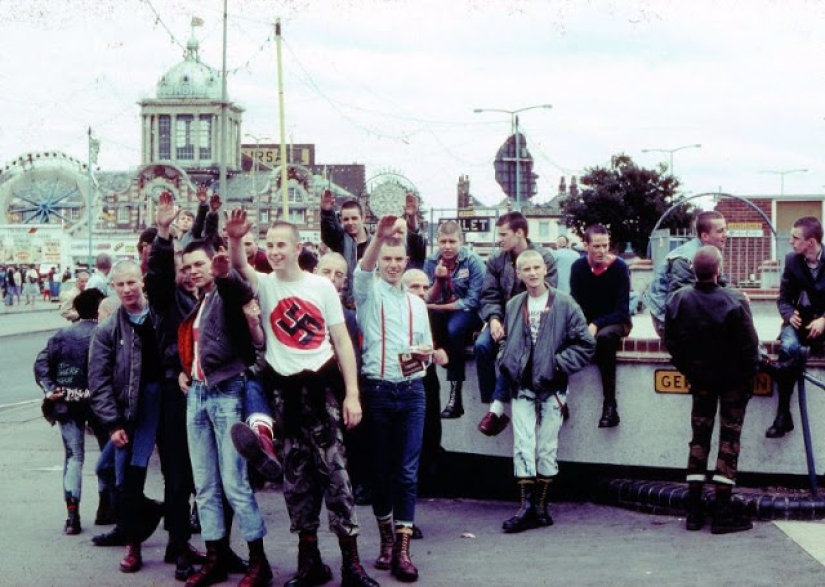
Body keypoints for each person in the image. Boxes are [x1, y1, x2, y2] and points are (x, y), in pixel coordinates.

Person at [226, 210, 378, 587]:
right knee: (296, 480)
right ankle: (309, 562)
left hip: (323, 388)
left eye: (282, 245)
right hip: (285, 393)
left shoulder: (320, 287)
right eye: (270, 245)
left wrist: (353, 394)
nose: (275, 252)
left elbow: (342, 341)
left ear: (298, 248)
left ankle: (351, 565)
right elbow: (238, 265)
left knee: (337, 475)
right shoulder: (263, 284)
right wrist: (234, 237)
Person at [176, 238, 272, 587]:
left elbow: (240, 291)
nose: (192, 272)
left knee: (235, 484)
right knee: (204, 486)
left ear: (213, 263)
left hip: (226, 392)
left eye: (198, 264)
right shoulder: (198, 301)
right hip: (198, 396)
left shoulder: (225, 294)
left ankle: (259, 563)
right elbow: (197, 347)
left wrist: (225, 272)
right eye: (187, 267)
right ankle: (216, 556)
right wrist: (184, 370)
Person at [354, 215, 434, 583]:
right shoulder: (369, 290)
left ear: (407, 262)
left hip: (412, 390)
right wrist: (379, 238)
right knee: (380, 473)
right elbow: (362, 268)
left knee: (407, 472)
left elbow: (427, 347)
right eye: (387, 259)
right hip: (378, 389)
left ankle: (402, 549)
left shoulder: (416, 302)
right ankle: (386, 538)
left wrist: (424, 353)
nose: (392, 265)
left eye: (398, 259)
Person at [497, 249, 595, 533]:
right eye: (526, 268)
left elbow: (585, 344)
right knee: (523, 444)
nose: (532, 273)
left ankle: (541, 507)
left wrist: (558, 364)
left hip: (552, 387)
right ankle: (526, 507)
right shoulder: (514, 304)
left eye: (537, 267)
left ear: (545, 269)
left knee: (547, 446)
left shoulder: (565, 304)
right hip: (522, 386)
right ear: (518, 273)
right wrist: (506, 359)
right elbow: (504, 339)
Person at [665, 246, 758, 534]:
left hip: (701, 381)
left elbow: (672, 344)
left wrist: (690, 372)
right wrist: (746, 379)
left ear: (694, 269)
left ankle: (693, 510)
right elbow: (749, 348)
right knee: (729, 442)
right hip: (732, 382)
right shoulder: (735, 299)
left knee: (699, 440)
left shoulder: (678, 300)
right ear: (719, 269)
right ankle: (722, 511)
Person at [89, 261, 165, 574]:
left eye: (131, 282)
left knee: (178, 476)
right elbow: (99, 381)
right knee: (126, 478)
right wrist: (113, 424)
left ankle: (179, 542)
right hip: (130, 413)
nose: (126, 290)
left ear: (142, 282)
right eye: (119, 285)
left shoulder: (162, 316)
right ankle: (133, 544)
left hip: (166, 403)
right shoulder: (108, 329)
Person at [34, 288, 109, 535]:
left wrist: (50, 388)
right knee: (106, 453)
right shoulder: (105, 332)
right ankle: (105, 507)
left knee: (74, 457)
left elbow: (42, 363)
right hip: (100, 402)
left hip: (67, 400)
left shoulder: (62, 335)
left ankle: (72, 516)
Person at [476, 212, 558, 437]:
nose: (499, 239)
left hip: (533, 321)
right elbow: (490, 295)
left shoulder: (544, 257)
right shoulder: (496, 260)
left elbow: (547, 295)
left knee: (512, 349)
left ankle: (497, 410)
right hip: (501, 319)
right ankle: (492, 403)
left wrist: (515, 323)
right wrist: (493, 319)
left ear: (519, 233)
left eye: (504, 234)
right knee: (482, 347)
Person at [765, 216, 825, 438]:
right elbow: (783, 299)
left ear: (811, 242)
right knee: (788, 349)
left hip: (823, 324)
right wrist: (789, 315)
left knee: (798, 353)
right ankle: (783, 416)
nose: (790, 241)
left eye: (795, 238)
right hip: (799, 322)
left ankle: (805, 352)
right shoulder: (792, 261)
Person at [570, 224, 633, 428]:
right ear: (585, 245)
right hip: (588, 322)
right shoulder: (578, 268)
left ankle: (610, 405)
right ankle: (558, 400)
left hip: (616, 321)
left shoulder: (620, 267)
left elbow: (623, 309)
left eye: (605, 245)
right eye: (596, 246)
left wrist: (597, 323)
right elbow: (576, 303)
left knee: (605, 339)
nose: (602, 251)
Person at [321, 190, 426, 307]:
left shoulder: (377, 243)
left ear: (363, 217)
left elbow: (416, 251)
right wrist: (326, 212)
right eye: (346, 219)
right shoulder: (341, 242)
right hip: (347, 304)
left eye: (354, 218)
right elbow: (329, 232)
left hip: (374, 304)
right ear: (340, 220)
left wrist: (412, 218)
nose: (350, 222)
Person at [423, 220, 484, 419]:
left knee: (454, 329)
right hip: (440, 310)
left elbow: (473, 301)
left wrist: (435, 307)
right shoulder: (431, 261)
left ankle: (455, 396)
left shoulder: (473, 262)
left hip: (468, 311)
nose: (447, 246)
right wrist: (439, 282)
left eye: (452, 241)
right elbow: (427, 296)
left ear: (461, 241)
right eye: (443, 241)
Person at [403, 269, 450, 499]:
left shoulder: (434, 316)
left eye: (424, 287)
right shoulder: (396, 313)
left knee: (430, 431)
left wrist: (441, 353)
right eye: (415, 287)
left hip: (427, 381)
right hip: (400, 381)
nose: (421, 292)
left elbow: (446, 350)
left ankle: (426, 481)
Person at [643, 211, 728, 338]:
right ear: (705, 236)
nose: (725, 235)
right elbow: (680, 302)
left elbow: (720, 284)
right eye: (720, 231)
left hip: (688, 315)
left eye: (726, 230)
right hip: (667, 320)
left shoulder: (709, 254)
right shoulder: (685, 259)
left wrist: (737, 296)